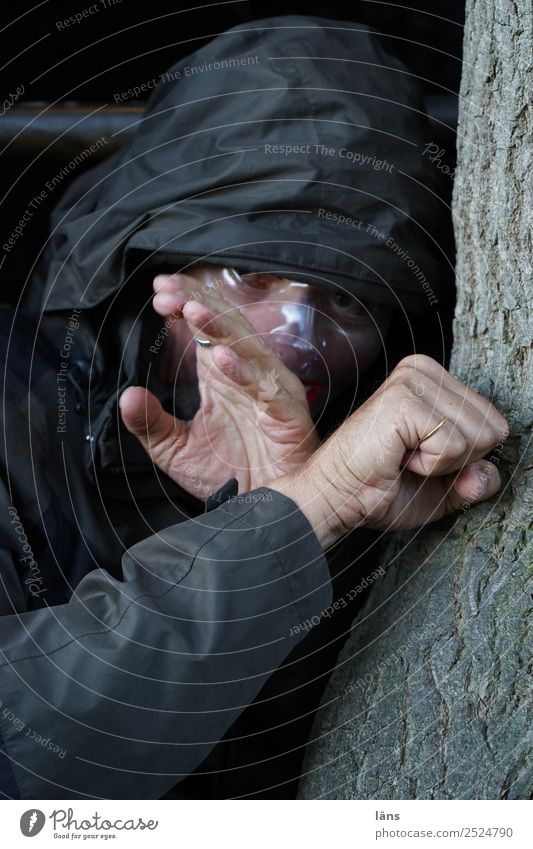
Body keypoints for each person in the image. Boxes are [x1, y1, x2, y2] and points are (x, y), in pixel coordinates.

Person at [0, 16, 507, 799]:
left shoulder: (398, 470)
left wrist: (273, 512)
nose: (293, 338)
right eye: (247, 271)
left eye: (345, 298)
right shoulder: (16, 416)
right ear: (152, 262)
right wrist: (299, 516)